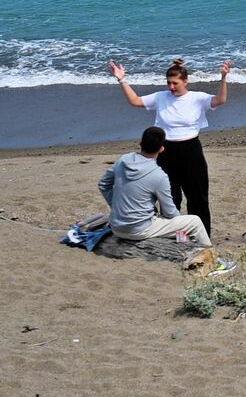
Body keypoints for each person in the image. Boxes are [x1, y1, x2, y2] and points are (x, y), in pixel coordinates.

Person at [107, 56, 230, 235]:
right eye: (168, 83)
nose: (171, 87)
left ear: (185, 81)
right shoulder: (160, 97)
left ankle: (202, 237)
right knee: (170, 198)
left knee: (198, 198)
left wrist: (224, 78)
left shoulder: (197, 98)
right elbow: (135, 101)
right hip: (166, 152)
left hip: (191, 151)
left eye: (175, 83)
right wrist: (122, 79)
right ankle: (177, 237)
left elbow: (220, 100)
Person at [97, 125, 232, 274]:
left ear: (140, 143)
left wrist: (115, 206)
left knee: (171, 223)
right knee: (195, 221)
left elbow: (103, 184)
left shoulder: (123, 160)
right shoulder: (159, 175)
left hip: (116, 226)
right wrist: (179, 223)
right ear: (162, 149)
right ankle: (214, 263)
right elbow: (170, 213)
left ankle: (190, 249)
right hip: (138, 229)